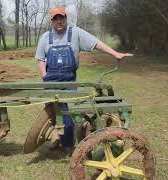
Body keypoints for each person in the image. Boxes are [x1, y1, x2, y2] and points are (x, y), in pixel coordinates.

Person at [34, 6, 133, 152]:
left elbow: (96, 43)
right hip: (51, 80)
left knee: (68, 112)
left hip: (69, 80)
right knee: (53, 111)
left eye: (61, 17)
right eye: (56, 19)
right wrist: (45, 77)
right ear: (52, 21)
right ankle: (56, 137)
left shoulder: (76, 33)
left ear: (66, 18)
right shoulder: (45, 37)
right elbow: (40, 59)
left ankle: (67, 145)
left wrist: (115, 54)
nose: (59, 21)